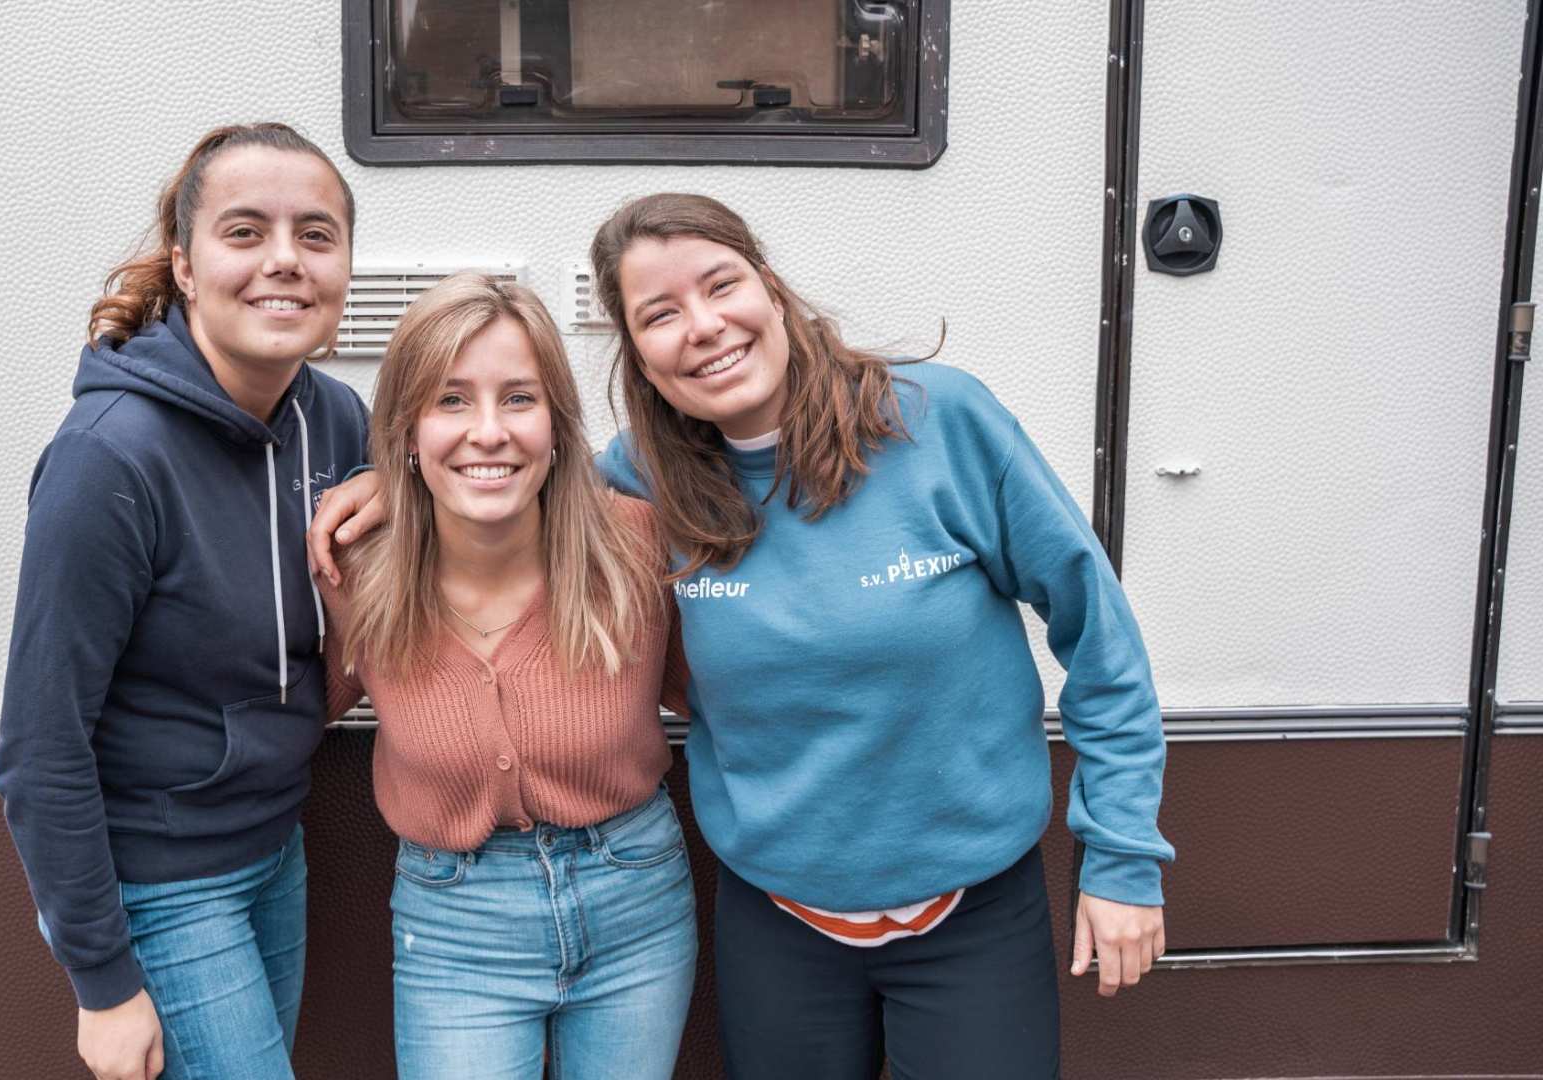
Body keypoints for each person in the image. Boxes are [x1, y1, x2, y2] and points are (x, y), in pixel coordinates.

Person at [309, 193, 1174, 1079]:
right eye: (660, 315)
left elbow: (1099, 636)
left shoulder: (940, 421)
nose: (704, 327)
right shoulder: (647, 489)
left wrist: (1123, 856)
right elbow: (511, 474)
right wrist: (394, 485)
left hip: (972, 915)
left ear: (769, 285)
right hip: (780, 927)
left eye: (721, 285)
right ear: (638, 355)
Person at [0, 122, 370, 1080]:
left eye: (316, 235)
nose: (285, 260)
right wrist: (103, 982)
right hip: (163, 884)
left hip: (276, 847)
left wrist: (397, 494)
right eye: (244, 232)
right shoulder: (109, 457)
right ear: (186, 267)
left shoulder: (332, 416)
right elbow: (40, 748)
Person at [319, 273, 697, 1079]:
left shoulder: (633, 546)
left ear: (558, 427)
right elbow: (302, 705)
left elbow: (710, 690)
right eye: (450, 401)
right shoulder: (356, 564)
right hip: (455, 925)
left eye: (518, 399)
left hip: (636, 898)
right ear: (406, 433)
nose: (488, 431)